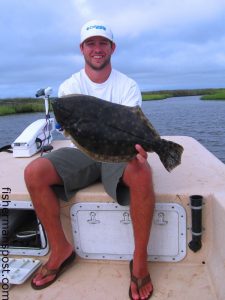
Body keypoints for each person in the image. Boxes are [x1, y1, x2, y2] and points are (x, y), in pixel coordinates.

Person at [24, 19, 155, 300]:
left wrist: (139, 149)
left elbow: (131, 128)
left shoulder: (127, 86)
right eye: (91, 44)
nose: (97, 49)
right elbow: (74, 130)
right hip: (81, 151)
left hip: (116, 154)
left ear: (112, 48)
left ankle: (140, 258)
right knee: (34, 172)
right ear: (82, 49)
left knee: (143, 172)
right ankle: (61, 250)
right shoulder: (70, 86)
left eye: (102, 43)